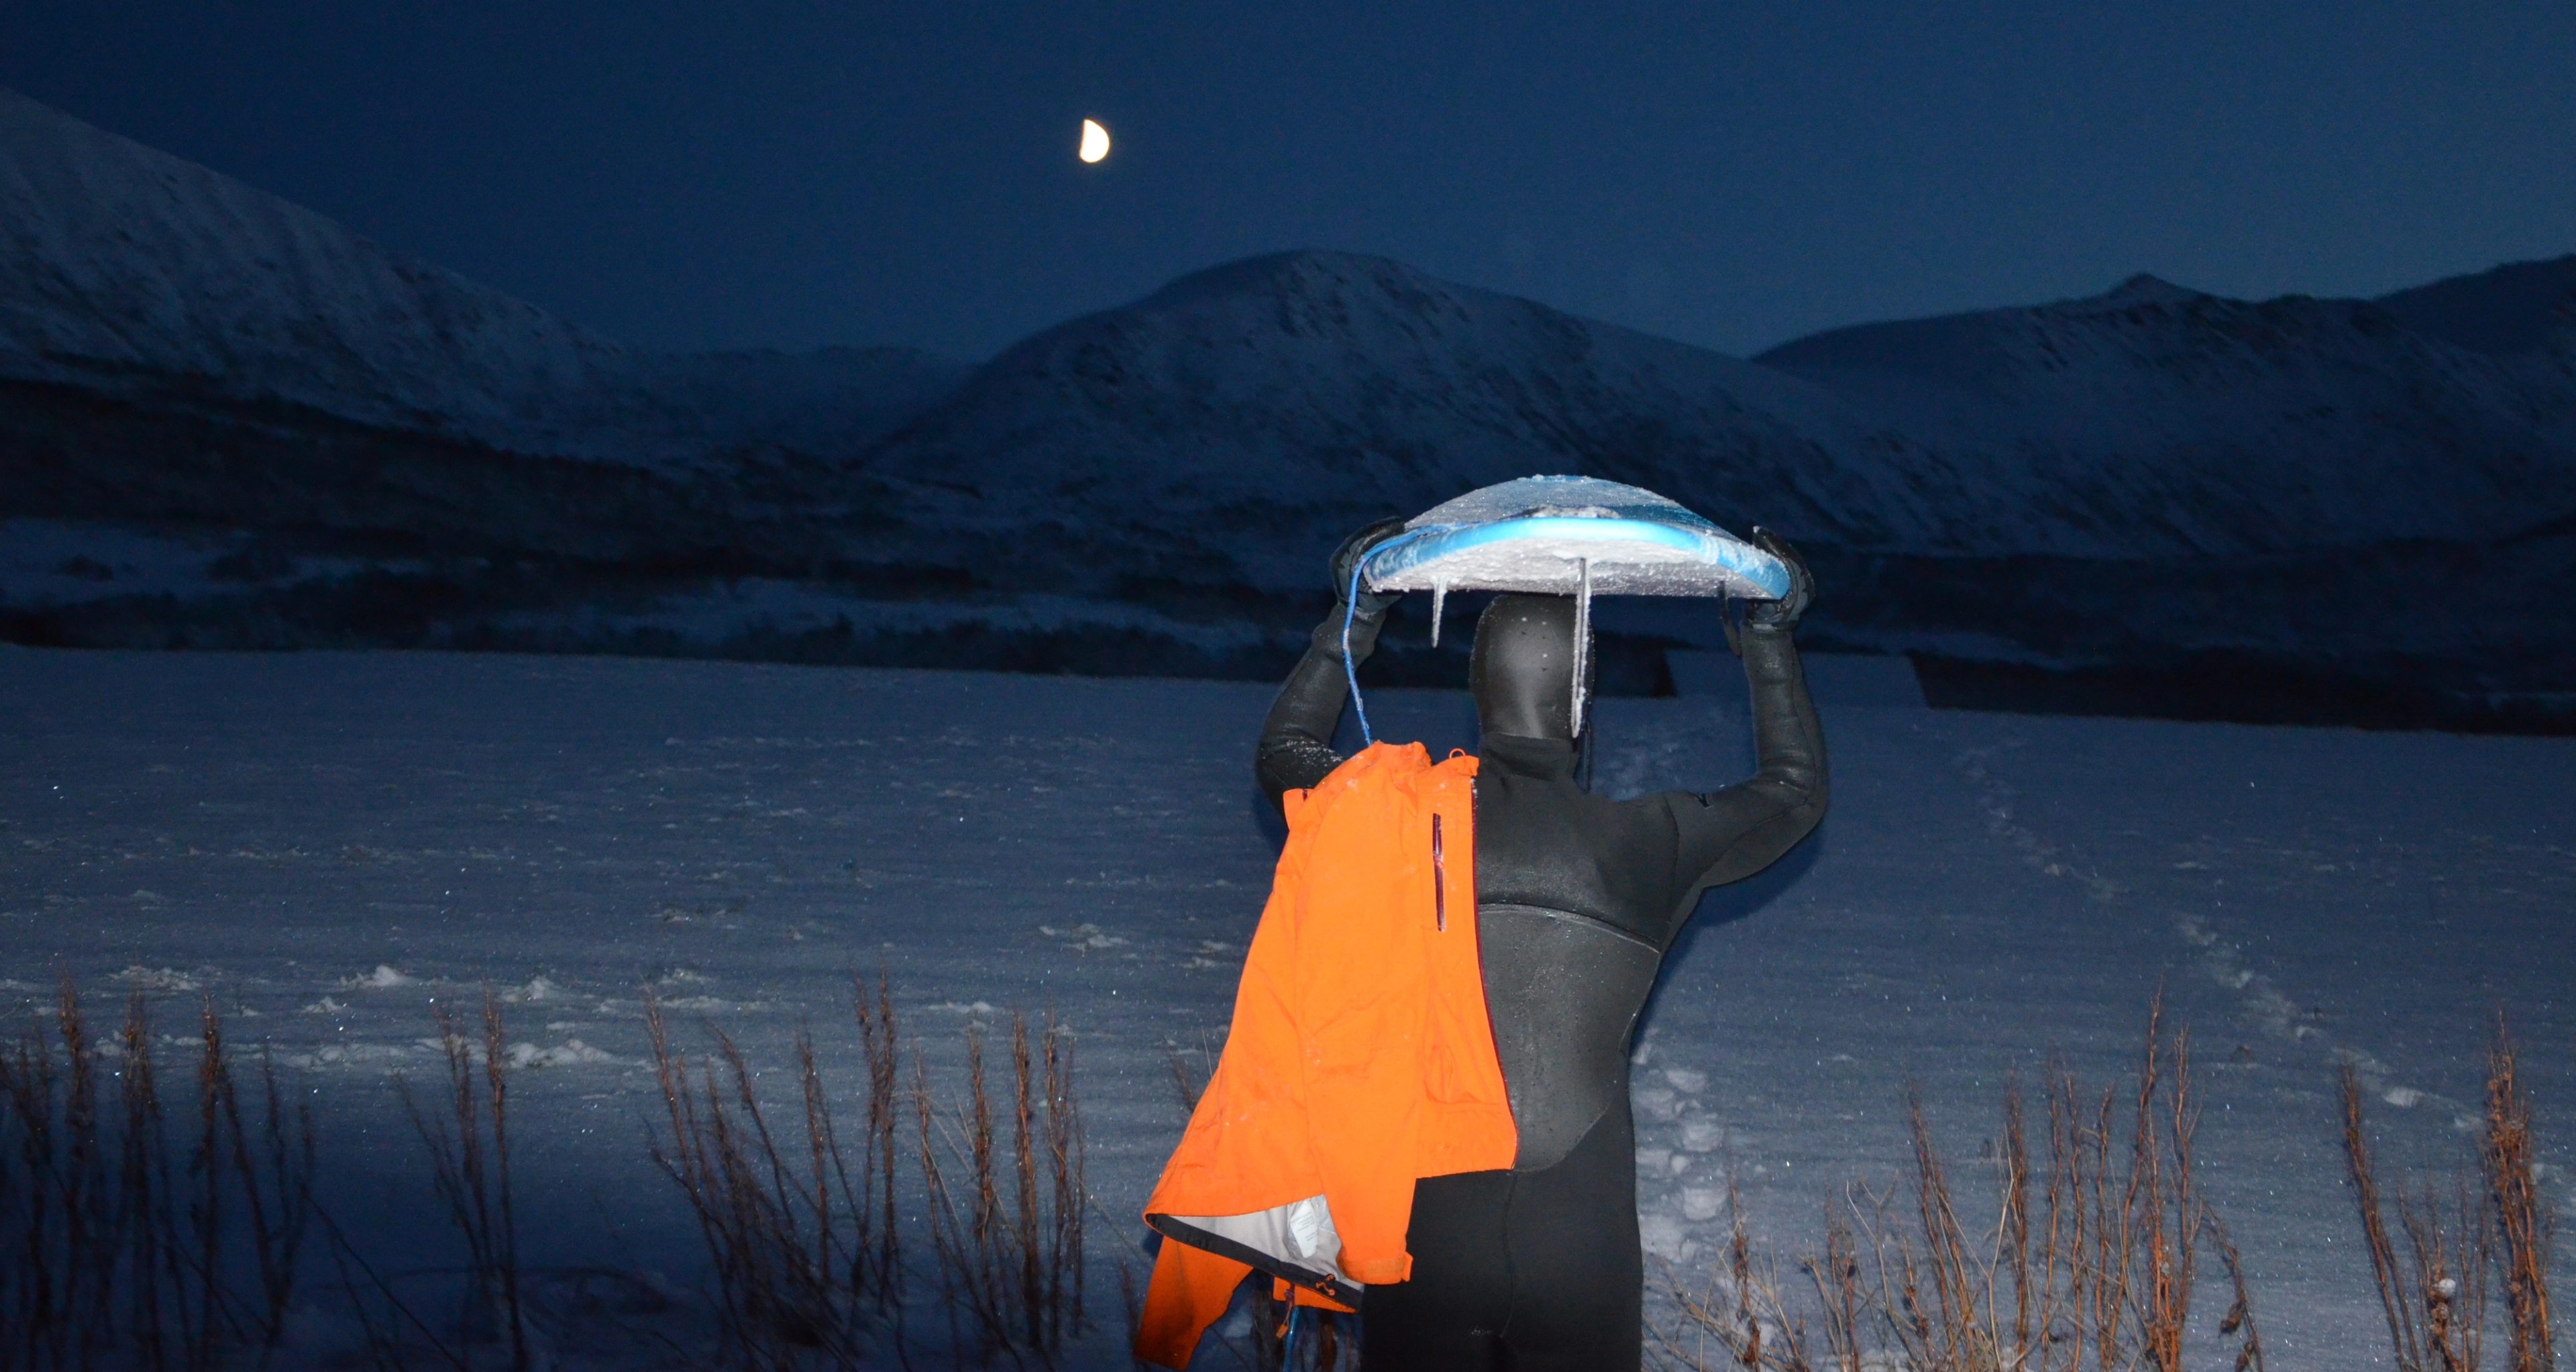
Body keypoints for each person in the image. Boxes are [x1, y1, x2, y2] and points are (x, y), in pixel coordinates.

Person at [1253, 519, 1829, 1371]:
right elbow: (1794, 790)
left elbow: (1284, 755)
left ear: (1482, 692)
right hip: (1582, 1235)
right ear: (1580, 702)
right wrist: (1769, 640)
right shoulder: (1649, 839)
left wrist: (1351, 622)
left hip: (1429, 1228)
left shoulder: (1402, 827)